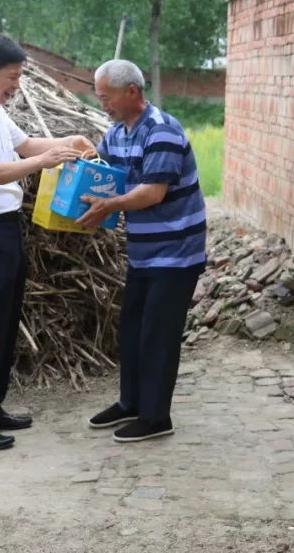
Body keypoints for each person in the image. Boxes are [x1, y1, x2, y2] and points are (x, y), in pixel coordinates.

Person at [0, 34, 92, 451]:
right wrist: (44, 162)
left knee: (5, 322)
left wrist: (68, 142)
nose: (16, 85)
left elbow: (24, 145)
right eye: (12, 77)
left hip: (5, 226)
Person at [76, 59, 207, 443]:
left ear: (132, 92)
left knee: (158, 335)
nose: (103, 104)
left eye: (106, 97)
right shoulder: (117, 132)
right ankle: (130, 402)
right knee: (131, 329)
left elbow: (152, 191)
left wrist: (108, 206)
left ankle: (156, 416)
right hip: (143, 252)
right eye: (99, 97)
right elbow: (103, 172)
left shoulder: (162, 131)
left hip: (176, 250)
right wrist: (78, 171)